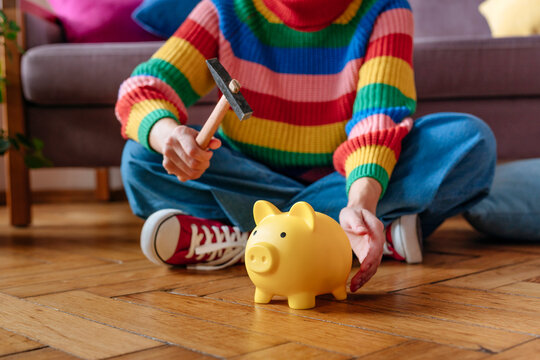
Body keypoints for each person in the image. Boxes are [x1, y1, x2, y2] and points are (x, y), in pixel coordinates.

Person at [116, 0, 496, 290]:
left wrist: (360, 203)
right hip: (249, 181)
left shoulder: (385, 9)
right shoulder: (224, 8)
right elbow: (145, 88)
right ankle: (335, 240)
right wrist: (169, 136)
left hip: (342, 183)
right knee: (140, 156)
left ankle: (250, 238)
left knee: (468, 143)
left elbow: (376, 119)